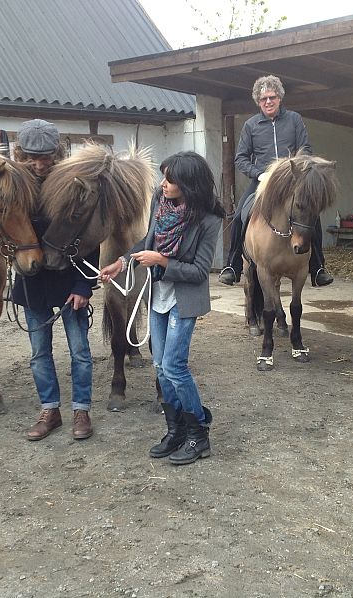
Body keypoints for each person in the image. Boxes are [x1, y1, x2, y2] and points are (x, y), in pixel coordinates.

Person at [100, 151, 223, 465]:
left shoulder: (210, 220)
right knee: (160, 367)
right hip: (158, 296)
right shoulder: (161, 201)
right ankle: (176, 430)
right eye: (164, 177)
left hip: (183, 300)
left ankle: (199, 435)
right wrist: (121, 261)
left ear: (190, 184)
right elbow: (147, 240)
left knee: (175, 368)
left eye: (171, 179)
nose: (163, 184)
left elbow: (198, 271)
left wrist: (163, 261)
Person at [12, 119, 98, 441]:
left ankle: (81, 410)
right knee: (38, 353)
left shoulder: (74, 185)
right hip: (31, 283)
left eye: (46, 157)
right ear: (21, 154)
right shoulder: (15, 185)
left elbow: (91, 237)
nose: (39, 164)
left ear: (57, 153)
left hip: (69, 282)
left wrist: (83, 286)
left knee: (80, 351)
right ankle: (50, 410)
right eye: (32, 158)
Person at [219, 75, 334, 288]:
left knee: (312, 215)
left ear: (280, 98)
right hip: (264, 181)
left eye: (272, 97)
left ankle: (318, 267)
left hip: (293, 181)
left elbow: (306, 149)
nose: (268, 102)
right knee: (239, 216)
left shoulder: (294, 119)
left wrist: (297, 168)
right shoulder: (251, 125)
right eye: (263, 99)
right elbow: (241, 159)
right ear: (258, 101)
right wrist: (259, 174)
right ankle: (233, 265)